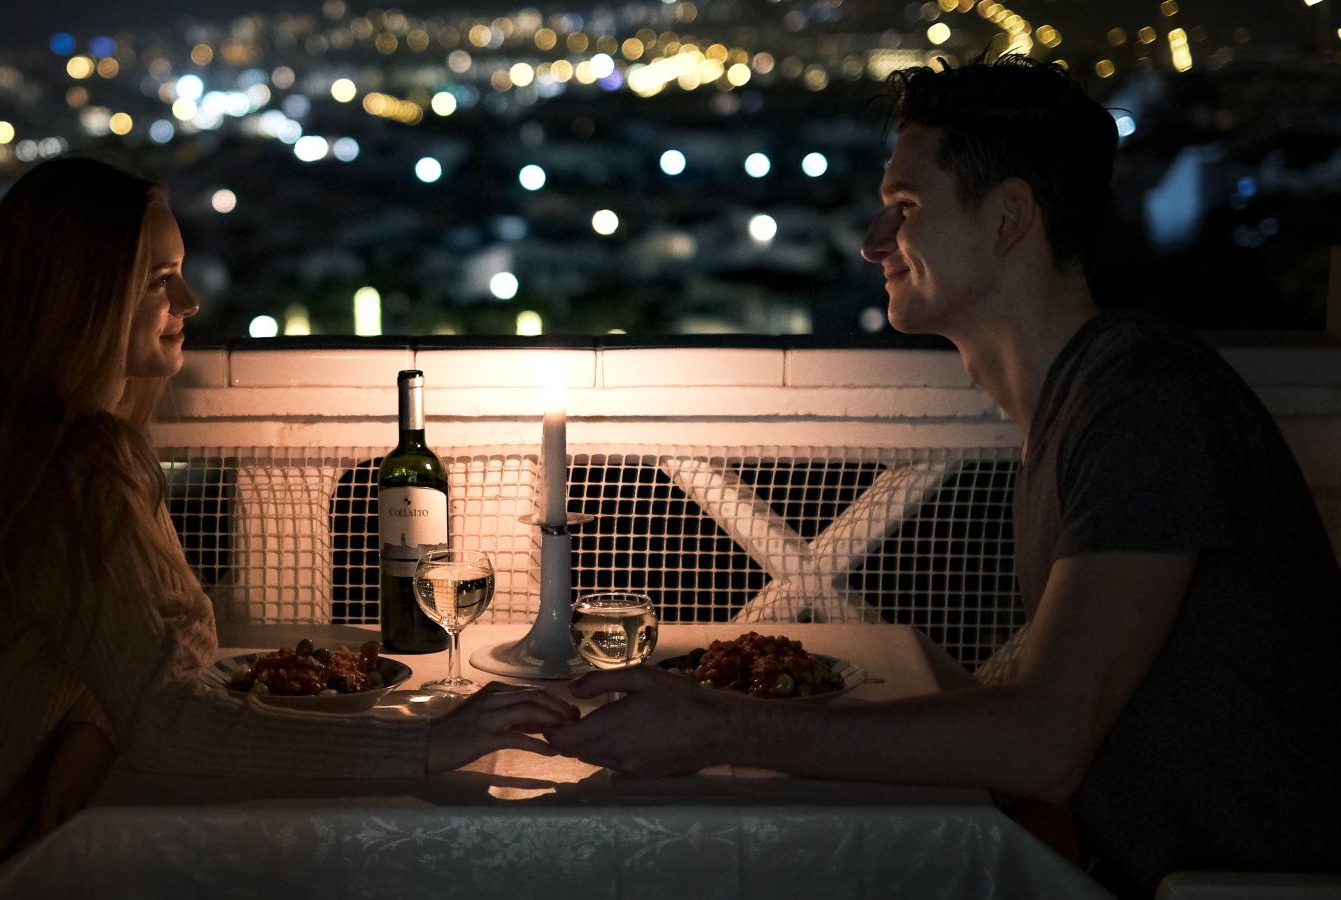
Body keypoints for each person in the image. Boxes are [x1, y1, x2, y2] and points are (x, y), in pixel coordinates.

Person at [544, 57, 1341, 896]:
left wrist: (721, 730)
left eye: (907, 208)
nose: (872, 242)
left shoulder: (1144, 404)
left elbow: (1044, 741)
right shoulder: (1085, 401)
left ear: (1008, 218)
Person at [0, 157, 575, 871]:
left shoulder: (34, 445)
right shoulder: (55, 470)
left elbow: (142, 644)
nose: (188, 300)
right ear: (79, 298)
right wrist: (436, 742)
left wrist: (91, 721)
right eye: (158, 279)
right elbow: (178, 721)